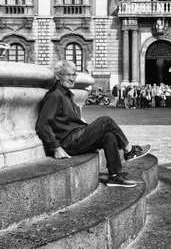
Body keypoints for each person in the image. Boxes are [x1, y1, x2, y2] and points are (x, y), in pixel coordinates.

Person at [36, 60, 151, 188]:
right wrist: (56, 147)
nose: (72, 78)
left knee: (109, 135)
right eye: (68, 75)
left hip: (77, 137)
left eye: (74, 75)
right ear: (58, 76)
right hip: (69, 142)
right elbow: (42, 125)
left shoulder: (68, 95)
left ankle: (115, 175)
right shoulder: (55, 96)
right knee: (105, 120)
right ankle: (130, 150)